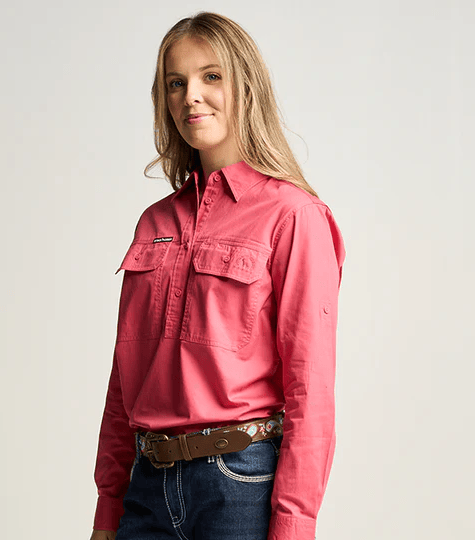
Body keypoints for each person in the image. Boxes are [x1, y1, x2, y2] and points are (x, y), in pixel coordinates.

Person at [89, 11, 346, 540]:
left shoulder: (293, 216)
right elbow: (124, 380)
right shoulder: (155, 223)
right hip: (146, 488)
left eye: (211, 76)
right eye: (175, 83)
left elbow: (311, 386)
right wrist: (108, 507)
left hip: (240, 486)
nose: (191, 97)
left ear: (245, 86)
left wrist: (294, 525)